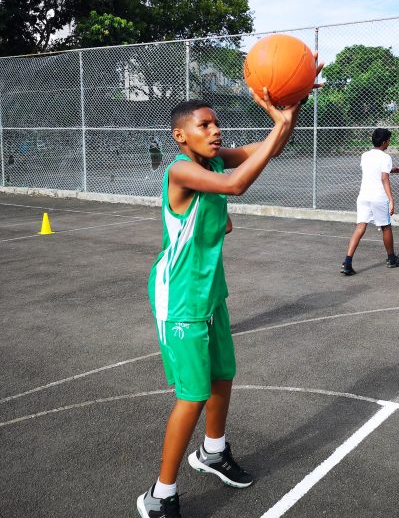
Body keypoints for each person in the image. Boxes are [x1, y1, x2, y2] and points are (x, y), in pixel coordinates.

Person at [138, 67, 320, 518]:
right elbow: (237, 185)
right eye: (205, 125)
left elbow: (268, 150)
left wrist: (287, 113)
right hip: (179, 296)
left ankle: (213, 452)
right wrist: (278, 123)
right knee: (193, 395)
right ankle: (160, 495)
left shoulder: (215, 160)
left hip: (209, 291)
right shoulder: (181, 171)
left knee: (223, 375)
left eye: (217, 123)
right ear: (181, 137)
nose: (216, 131)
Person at [341, 127, 399, 275]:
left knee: (360, 227)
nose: (389, 142)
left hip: (363, 196)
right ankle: (391, 259)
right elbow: (383, 178)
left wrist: (393, 169)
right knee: (386, 227)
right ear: (384, 142)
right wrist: (391, 199)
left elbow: (374, 170)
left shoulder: (365, 155)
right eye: (389, 140)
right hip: (379, 197)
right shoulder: (385, 157)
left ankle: (347, 262)